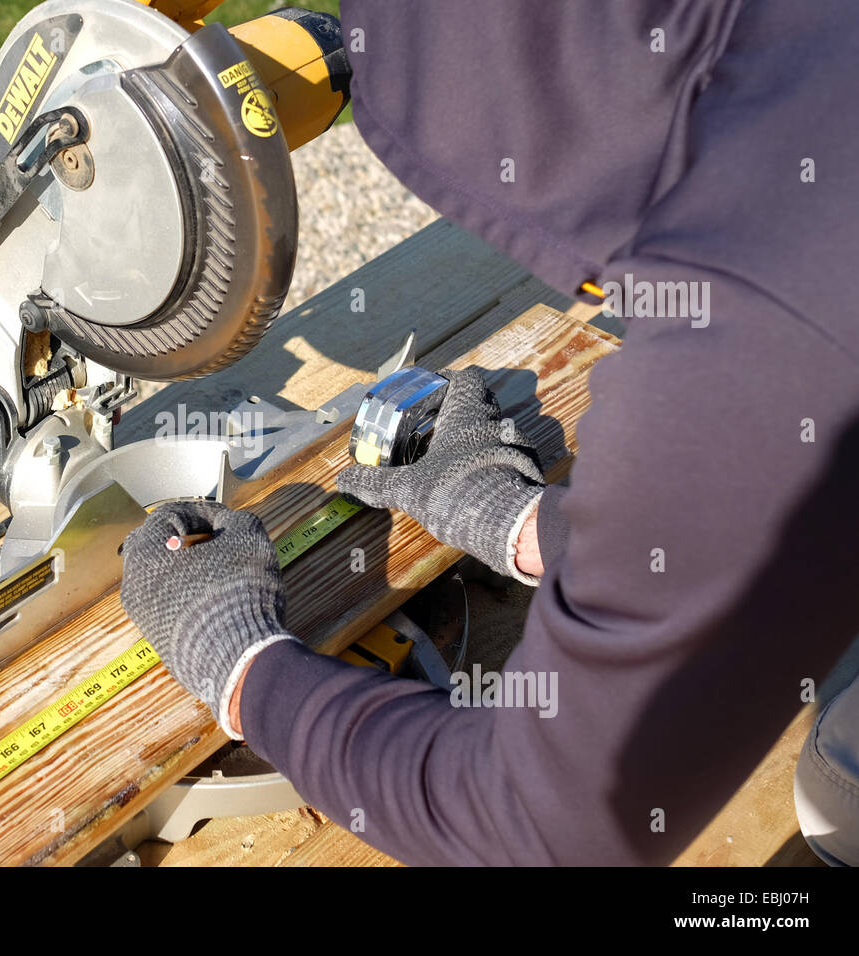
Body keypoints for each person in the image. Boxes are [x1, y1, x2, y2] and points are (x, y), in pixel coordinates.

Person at [120, 0, 859, 864]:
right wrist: (523, 523)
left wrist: (242, 666)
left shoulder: (762, 306)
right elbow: (769, 501)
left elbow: (543, 827)